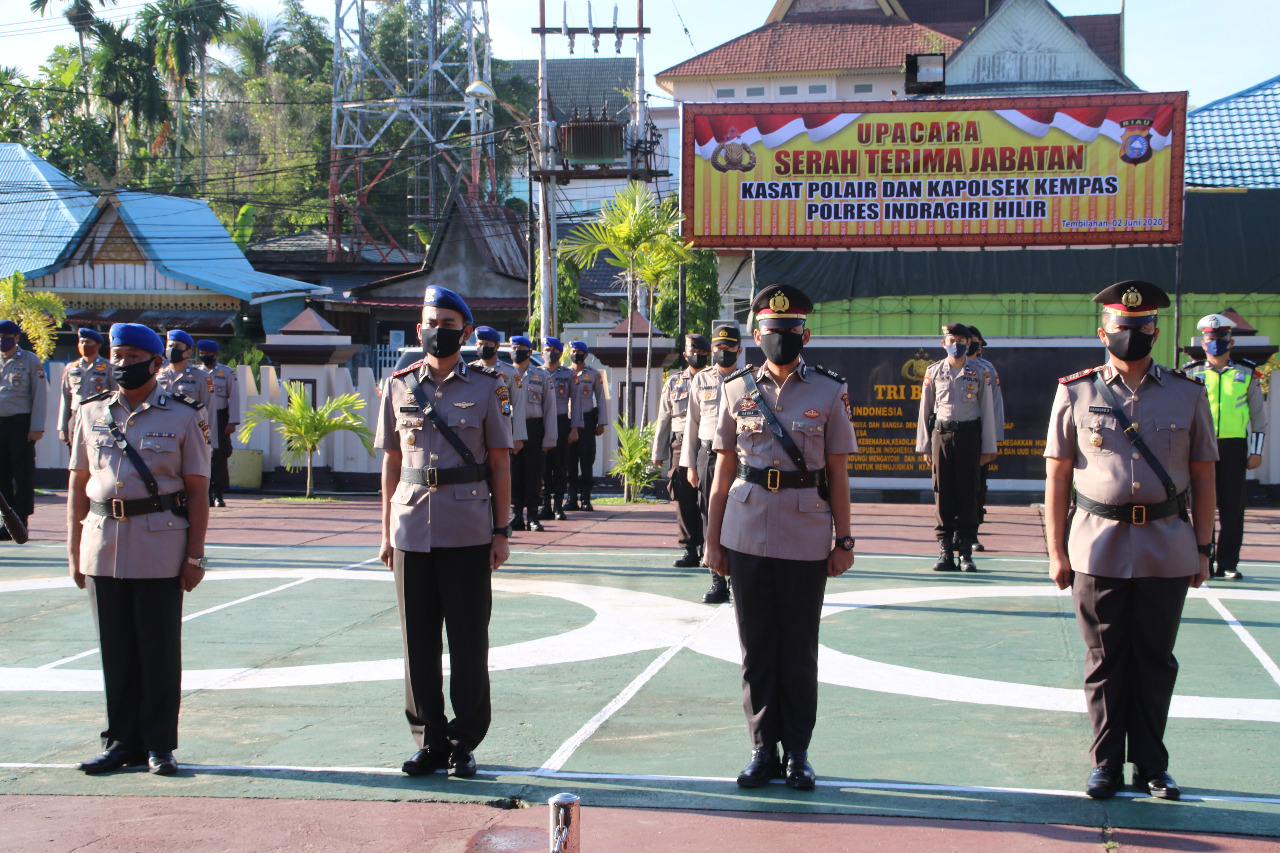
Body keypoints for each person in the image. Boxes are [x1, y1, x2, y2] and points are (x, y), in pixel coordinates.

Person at [1044, 279, 1217, 801]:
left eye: (1142, 328)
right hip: (1097, 542)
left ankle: (1150, 764)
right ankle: (1105, 764)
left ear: (1156, 332)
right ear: (1104, 332)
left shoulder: (1188, 393)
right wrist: (1055, 551)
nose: (1133, 335)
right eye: (1123, 328)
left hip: (1167, 543)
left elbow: (1205, 475)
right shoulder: (1075, 391)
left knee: (1155, 659)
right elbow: (1057, 476)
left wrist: (1204, 547)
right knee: (1104, 659)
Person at [704, 284, 857, 792]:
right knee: (755, 647)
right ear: (756, 333)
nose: (782, 340)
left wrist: (845, 540)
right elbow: (723, 470)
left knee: (798, 648)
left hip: (806, 532)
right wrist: (711, 540)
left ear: (805, 334)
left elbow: (838, 472)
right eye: (772, 332)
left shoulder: (830, 391)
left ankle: (797, 751)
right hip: (746, 531)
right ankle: (761, 749)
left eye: (791, 332)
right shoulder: (735, 390)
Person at [375, 285, 513, 779]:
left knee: (469, 639)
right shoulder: (398, 385)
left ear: (466, 333)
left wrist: (502, 529)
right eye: (432, 322)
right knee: (418, 642)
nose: (439, 331)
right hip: (411, 527)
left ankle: (464, 740)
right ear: (419, 329)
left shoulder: (487, 387)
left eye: (449, 325)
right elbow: (392, 462)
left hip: (469, 527)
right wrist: (386, 531)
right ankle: (429, 738)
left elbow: (499, 463)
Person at [67, 322, 212, 776]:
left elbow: (197, 490)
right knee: (115, 650)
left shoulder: (183, 415)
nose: (122, 363)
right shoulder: (91, 413)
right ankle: (119, 742)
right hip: (103, 541)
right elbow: (77, 482)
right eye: (118, 355)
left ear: (155, 362)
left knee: (158, 648)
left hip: (159, 543)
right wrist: (73, 551)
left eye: (132, 356)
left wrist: (194, 555)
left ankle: (158, 744)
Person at [1181, 314, 1268, 580]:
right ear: (1203, 343)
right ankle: (1200, 558)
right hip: (1200, 448)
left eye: (1221, 338)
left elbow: (1259, 418)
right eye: (1210, 339)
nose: (1216, 343)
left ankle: (1227, 563)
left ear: (1230, 342)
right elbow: (1180, 414)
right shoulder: (1191, 373)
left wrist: (1256, 451)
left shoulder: (1245, 373)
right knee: (1199, 505)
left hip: (1234, 447)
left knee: (1232, 508)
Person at [914, 323, 997, 572]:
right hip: (942, 435)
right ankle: (945, 550)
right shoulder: (934, 371)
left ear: (968, 343)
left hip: (970, 436)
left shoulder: (981, 372)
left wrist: (989, 446)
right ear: (943, 343)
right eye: (951, 339)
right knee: (943, 492)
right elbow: (925, 409)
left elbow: (988, 412)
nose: (956, 344)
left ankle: (965, 551)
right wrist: (925, 445)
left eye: (961, 340)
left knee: (969, 491)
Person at [682, 320, 742, 602]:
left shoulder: (749, 380)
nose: (722, 351)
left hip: (741, 457)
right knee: (709, 514)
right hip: (708, 455)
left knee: (740, 515)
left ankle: (740, 579)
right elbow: (691, 425)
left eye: (728, 347)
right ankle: (717, 579)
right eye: (718, 347)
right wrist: (690, 465)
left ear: (739, 350)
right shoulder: (701, 379)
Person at [653, 334, 709, 568]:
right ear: (685, 355)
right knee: (684, 498)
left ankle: (708, 546)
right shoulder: (674, 382)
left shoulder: (717, 379)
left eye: (700, 353)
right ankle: (689, 549)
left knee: (707, 497)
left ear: (707, 354)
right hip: (679, 444)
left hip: (706, 445)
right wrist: (658, 452)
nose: (696, 356)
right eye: (692, 353)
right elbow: (664, 417)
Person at [0, 319, 46, 542]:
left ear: (16, 338)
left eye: (6, 336)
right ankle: (6, 523)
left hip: (21, 425)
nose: (2, 340)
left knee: (23, 474)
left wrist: (36, 427)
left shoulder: (30, 361)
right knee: (2, 477)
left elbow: (39, 395)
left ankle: (21, 521)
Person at [509, 336, 556, 532]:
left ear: (529, 352)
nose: (515, 352)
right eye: (513, 348)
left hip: (534, 428)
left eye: (519, 348)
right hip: (509, 428)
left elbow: (550, 408)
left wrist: (549, 437)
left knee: (534, 472)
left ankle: (533, 516)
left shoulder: (541, 376)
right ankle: (516, 515)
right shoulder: (504, 374)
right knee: (513, 473)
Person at [965, 325, 1004, 552]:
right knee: (948, 488)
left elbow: (995, 406)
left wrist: (993, 440)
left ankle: (972, 533)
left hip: (978, 436)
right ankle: (948, 537)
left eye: (975, 342)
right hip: (949, 436)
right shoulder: (941, 369)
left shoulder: (987, 370)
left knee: (977, 486)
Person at [539, 337, 580, 521]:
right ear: (542, 352)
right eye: (547, 349)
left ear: (560, 353)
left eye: (553, 350)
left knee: (560, 465)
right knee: (543, 466)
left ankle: (558, 506)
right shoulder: (536, 373)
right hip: (540, 423)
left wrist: (575, 428)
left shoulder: (568, 374)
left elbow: (577, 402)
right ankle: (545, 504)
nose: (550, 353)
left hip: (561, 422)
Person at [196, 340, 240, 507]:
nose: (204, 356)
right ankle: (205, 493)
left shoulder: (226, 373)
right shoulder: (195, 372)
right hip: (200, 417)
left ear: (216, 354)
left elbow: (234, 397)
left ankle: (218, 493)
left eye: (208, 353)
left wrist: (232, 422)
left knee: (220, 456)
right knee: (201, 455)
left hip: (221, 418)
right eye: (202, 353)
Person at [565, 341, 607, 511]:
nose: (576, 354)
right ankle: (571, 497)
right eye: (573, 351)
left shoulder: (593, 374)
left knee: (587, 459)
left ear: (586, 355)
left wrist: (602, 422)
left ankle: (586, 498)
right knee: (569, 460)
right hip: (567, 422)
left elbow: (601, 398)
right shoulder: (564, 373)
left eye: (579, 351)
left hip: (587, 420)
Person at [58, 328, 117, 446]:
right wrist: (63, 426)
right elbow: (65, 398)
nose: (84, 345)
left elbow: (116, 394)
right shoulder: (71, 368)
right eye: (81, 342)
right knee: (74, 453)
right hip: (76, 414)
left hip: (99, 415)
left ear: (98, 345)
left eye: (88, 342)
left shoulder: (108, 367)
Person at [156, 330, 212, 410]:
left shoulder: (201, 377)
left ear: (188, 352)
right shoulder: (158, 374)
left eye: (177, 347)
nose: (172, 350)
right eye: (170, 346)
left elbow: (209, 409)